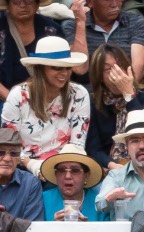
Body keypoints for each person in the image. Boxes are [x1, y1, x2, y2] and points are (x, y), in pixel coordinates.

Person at [2, 35, 90, 176]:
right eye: (56, 68)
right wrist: (31, 164)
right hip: (22, 168)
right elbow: (9, 143)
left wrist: (58, 168)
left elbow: (77, 144)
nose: (64, 73)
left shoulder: (79, 93)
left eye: (68, 68)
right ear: (40, 69)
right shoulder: (18, 95)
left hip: (63, 168)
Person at [85, 44, 144, 173]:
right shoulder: (94, 102)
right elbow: (93, 147)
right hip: (109, 167)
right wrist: (112, 165)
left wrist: (128, 94)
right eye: (108, 69)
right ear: (100, 76)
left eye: (120, 66)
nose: (117, 73)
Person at [62, 0, 144, 83]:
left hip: (127, 88)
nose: (115, 5)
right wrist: (80, 22)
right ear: (90, 2)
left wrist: (124, 90)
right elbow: (80, 69)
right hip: (88, 93)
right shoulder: (73, 25)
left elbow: (138, 70)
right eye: (108, 0)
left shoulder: (134, 21)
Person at [0, 0, 63, 104]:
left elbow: (62, 66)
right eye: (16, 2)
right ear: (8, 5)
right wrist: (13, 100)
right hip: (5, 98)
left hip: (45, 98)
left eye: (28, 1)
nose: (22, 5)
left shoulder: (52, 29)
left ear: (37, 3)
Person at [40, 141, 105, 219]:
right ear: (56, 174)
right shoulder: (42, 200)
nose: (68, 176)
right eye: (62, 170)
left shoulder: (99, 202)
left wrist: (86, 228)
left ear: (86, 176)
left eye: (75, 170)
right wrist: (54, 226)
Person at [0, 123, 43, 218]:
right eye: (1, 152)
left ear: (19, 158)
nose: (7, 158)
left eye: (14, 153)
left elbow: (31, 227)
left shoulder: (30, 183)